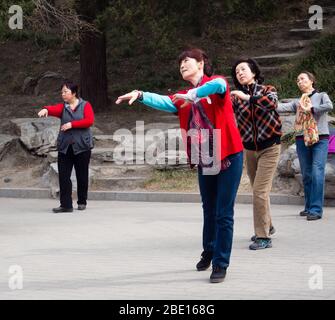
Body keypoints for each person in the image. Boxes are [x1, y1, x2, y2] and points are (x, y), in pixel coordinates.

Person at [116, 48, 243, 283]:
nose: (182, 65)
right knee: (209, 208)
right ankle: (210, 249)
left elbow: (218, 88)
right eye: (180, 63)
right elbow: (166, 101)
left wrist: (193, 94)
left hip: (229, 155)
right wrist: (141, 94)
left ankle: (221, 263)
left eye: (186, 61)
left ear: (201, 63)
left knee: (224, 213)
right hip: (205, 156)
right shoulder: (184, 96)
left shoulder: (215, 83)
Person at [231, 58, 282, 250]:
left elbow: (271, 104)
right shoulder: (235, 97)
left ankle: (263, 237)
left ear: (253, 72)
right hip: (250, 149)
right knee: (258, 191)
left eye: (243, 69)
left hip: (270, 147)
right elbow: (225, 111)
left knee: (260, 192)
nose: (240, 73)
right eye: (237, 72)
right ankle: (268, 225)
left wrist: (248, 98)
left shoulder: (268, 90)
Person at [277, 71, 333, 220]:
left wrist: (312, 109)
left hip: (320, 137)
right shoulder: (298, 101)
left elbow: (329, 106)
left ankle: (316, 209)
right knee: (307, 174)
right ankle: (309, 207)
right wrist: (264, 101)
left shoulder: (321, 96)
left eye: (302, 79)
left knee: (317, 171)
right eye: (297, 80)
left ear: (311, 81)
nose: (299, 82)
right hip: (302, 138)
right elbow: (280, 107)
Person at [38, 81, 94, 213]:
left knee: (82, 175)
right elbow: (53, 109)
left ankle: (82, 201)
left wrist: (71, 124)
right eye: (62, 92)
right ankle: (66, 205)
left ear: (73, 93)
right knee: (63, 175)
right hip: (65, 147)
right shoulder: (63, 107)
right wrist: (46, 109)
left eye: (66, 92)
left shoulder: (85, 105)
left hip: (82, 146)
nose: (63, 94)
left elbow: (89, 121)